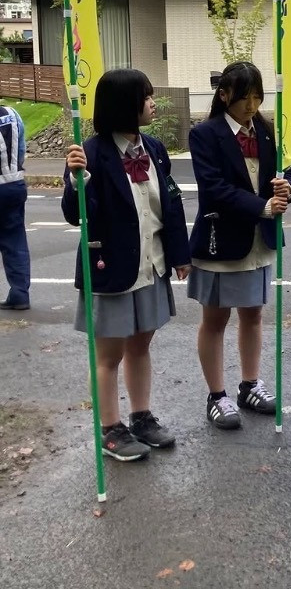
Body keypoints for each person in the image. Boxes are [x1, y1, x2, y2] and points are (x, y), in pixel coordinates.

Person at [63, 69, 191, 462]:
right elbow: (77, 215)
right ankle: (110, 429)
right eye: (146, 97)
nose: (153, 103)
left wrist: (180, 254)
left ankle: (141, 418)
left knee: (141, 346)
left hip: (151, 266)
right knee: (109, 355)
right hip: (111, 269)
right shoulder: (89, 153)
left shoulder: (154, 148)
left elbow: (170, 203)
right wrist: (77, 183)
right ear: (124, 104)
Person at [187, 62, 291, 430]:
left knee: (253, 314)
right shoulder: (204, 134)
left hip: (258, 240)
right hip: (221, 240)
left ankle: (250, 385)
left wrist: (287, 188)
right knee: (215, 319)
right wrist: (262, 207)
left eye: (257, 97)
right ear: (224, 95)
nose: (252, 106)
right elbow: (213, 188)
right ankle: (216, 395)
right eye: (244, 98)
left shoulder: (266, 129)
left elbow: (288, 168)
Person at [0, 103, 30, 311]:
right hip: (13, 183)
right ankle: (20, 293)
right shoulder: (11, 114)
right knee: (15, 240)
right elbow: (21, 150)